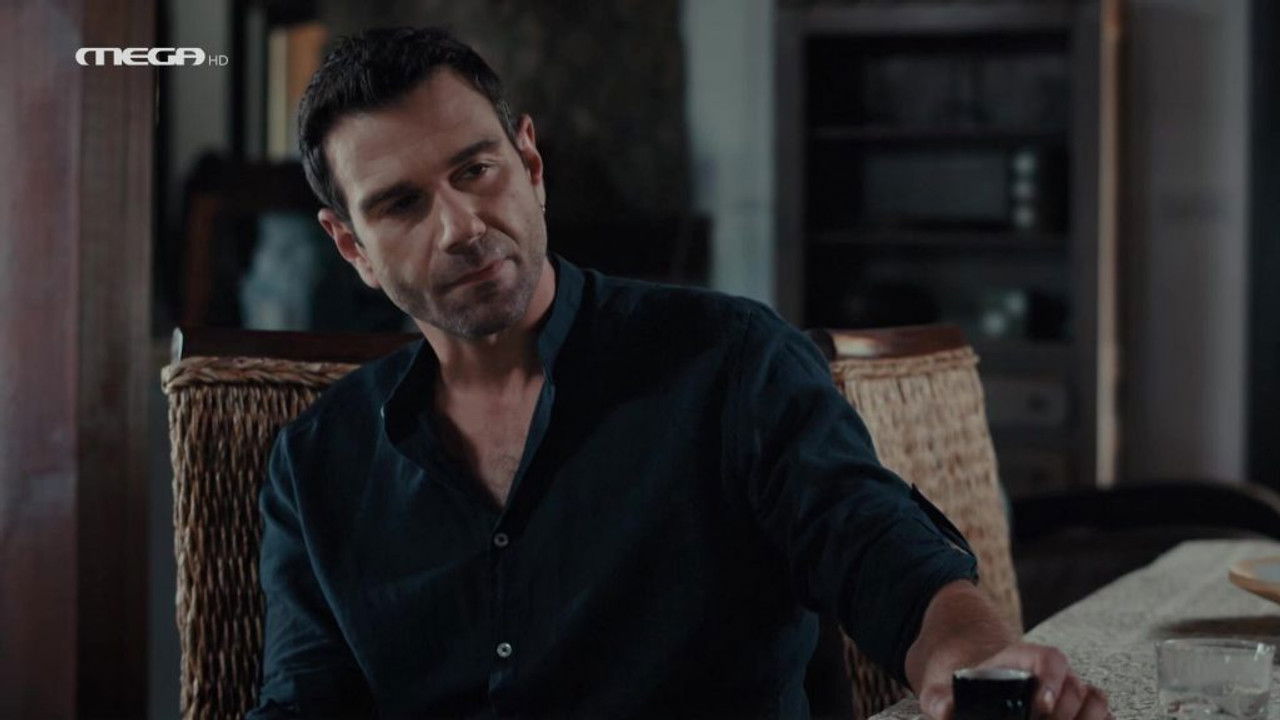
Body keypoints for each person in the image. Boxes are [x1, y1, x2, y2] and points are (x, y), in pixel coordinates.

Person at [248, 26, 1111, 720]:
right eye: (401, 204)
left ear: (531, 167)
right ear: (352, 246)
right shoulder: (317, 463)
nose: (462, 226)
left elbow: (888, 562)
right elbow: (303, 700)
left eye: (476, 170)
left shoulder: (729, 363)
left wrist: (975, 662)